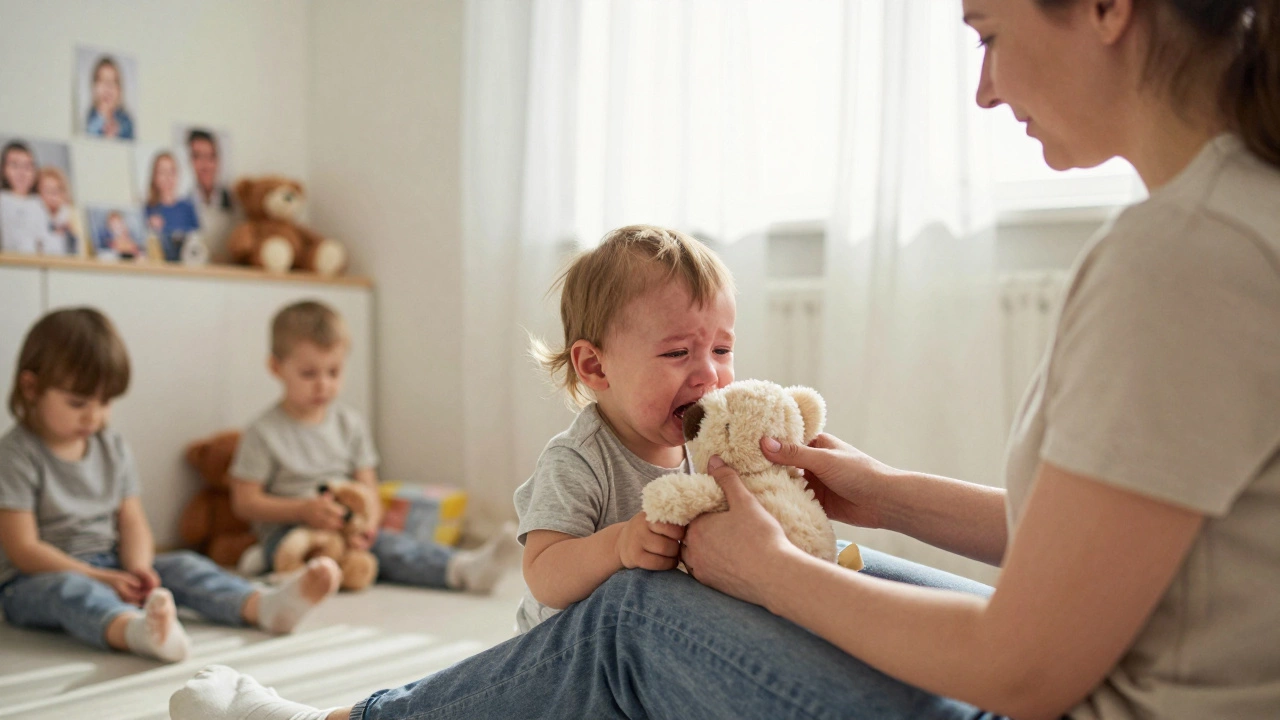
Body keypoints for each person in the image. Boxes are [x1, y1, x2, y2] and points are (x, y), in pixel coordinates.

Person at [171, 0, 1280, 718]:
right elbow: (1097, 550)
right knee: (769, 584)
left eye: (984, 32)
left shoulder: (1181, 257)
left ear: (1102, 8)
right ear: (591, 365)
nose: (982, 87)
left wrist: (773, 571)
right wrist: (879, 497)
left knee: (640, 615)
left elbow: (1025, 670)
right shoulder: (1233, 220)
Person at [0, 308, 342, 664]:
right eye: (78, 403)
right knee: (71, 591)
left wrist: (138, 568)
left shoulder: (110, 445)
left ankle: (261, 607)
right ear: (31, 387)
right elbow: (23, 548)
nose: (94, 416)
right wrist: (96, 577)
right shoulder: (16, 455)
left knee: (181, 564)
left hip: (111, 565)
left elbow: (132, 520)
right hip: (33, 582)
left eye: (105, 402)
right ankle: (134, 630)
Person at [514, 224, 736, 632]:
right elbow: (543, 574)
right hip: (566, 656)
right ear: (596, 366)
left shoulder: (707, 447)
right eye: (677, 352)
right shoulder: (577, 459)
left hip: (651, 640)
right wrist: (618, 546)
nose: (710, 374)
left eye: (722, 350)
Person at [227, 301, 520, 594]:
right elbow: (245, 501)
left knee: (392, 546)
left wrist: (366, 528)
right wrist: (303, 510)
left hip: (346, 524)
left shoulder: (349, 424)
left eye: (333, 372)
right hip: (291, 530)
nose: (323, 385)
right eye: (308, 374)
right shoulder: (262, 432)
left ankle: (462, 568)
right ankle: (282, 575)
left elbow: (369, 490)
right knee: (300, 553)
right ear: (276, 367)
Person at [185, 129, 237, 261]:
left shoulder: (234, 202)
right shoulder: (182, 201)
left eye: (210, 157)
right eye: (197, 157)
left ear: (218, 161)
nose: (205, 165)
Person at [144, 151, 200, 262]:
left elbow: (198, 240)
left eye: (172, 172)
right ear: (154, 176)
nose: (168, 178)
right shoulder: (148, 209)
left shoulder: (187, 208)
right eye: (162, 172)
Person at [0, 141, 49, 254]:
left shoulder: (38, 203)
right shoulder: (3, 200)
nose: (21, 173)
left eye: (27, 166)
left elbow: (43, 239)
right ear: (3, 169)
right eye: (14, 165)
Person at [36, 167, 86, 257]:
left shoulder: (71, 215)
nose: (53, 195)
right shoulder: (35, 214)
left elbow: (80, 249)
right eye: (48, 190)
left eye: (57, 190)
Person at [85, 56, 134, 140]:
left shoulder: (126, 121)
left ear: (119, 89)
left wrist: (118, 130)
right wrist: (102, 115)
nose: (108, 87)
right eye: (102, 80)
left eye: (113, 81)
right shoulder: (88, 120)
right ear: (94, 87)